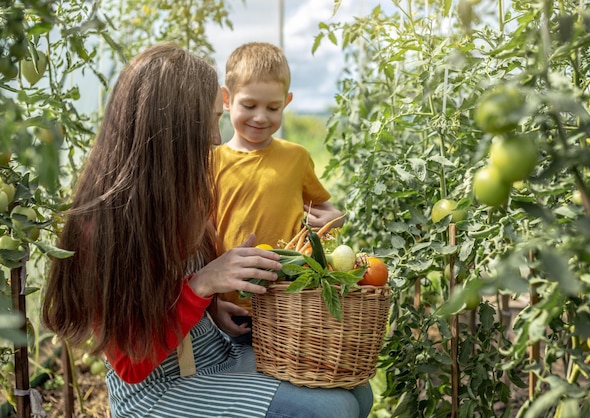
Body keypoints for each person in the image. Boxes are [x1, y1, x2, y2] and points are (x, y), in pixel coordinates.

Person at [41, 42, 372, 418]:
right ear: (170, 132)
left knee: (355, 392)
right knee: (329, 409)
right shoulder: (100, 228)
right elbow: (132, 365)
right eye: (209, 122)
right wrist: (202, 285)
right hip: (157, 390)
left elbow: (175, 289)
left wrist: (213, 308)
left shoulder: (183, 195)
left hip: (210, 352)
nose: (216, 139)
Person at [214, 42, 344, 342]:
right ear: (226, 99)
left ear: (286, 102)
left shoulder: (296, 158)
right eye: (249, 106)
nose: (261, 117)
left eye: (272, 108)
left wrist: (335, 220)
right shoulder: (213, 162)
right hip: (232, 308)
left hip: (291, 302)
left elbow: (326, 213)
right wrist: (212, 304)